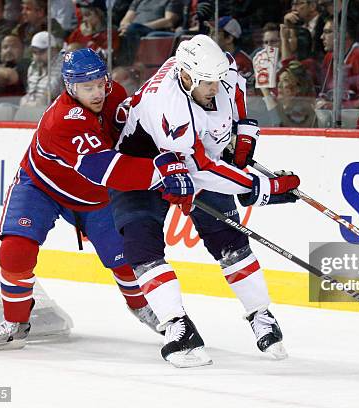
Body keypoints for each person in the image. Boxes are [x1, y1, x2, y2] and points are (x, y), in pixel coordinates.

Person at [111, 34, 301, 368]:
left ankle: (261, 314)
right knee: (141, 247)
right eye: (207, 83)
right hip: (141, 166)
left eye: (216, 80)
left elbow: (236, 85)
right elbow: (200, 169)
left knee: (230, 241)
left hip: (194, 159)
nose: (215, 87)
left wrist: (244, 132)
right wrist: (259, 187)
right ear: (186, 77)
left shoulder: (215, 69)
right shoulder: (169, 106)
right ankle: (178, 326)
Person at [0, 48, 165, 351]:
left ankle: (143, 307)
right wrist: (163, 173)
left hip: (95, 196)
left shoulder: (116, 96)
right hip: (42, 187)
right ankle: (15, 321)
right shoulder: (62, 121)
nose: (98, 92)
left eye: (101, 83)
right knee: (15, 250)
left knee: (125, 260)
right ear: (70, 87)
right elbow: (110, 169)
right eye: (87, 88)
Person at [20, 31, 64, 107]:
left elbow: (56, 92)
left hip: (55, 109)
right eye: (34, 52)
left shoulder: (65, 65)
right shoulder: (32, 66)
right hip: (32, 107)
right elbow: (30, 91)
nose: (37, 56)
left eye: (41, 51)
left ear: (53, 50)